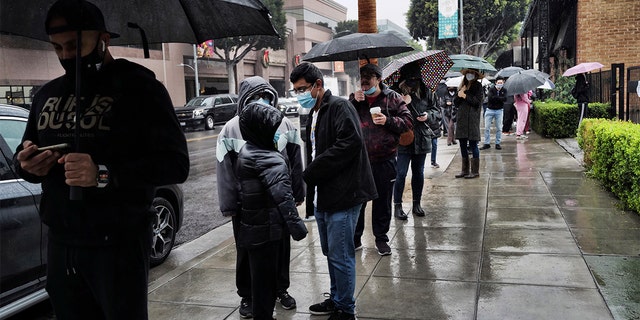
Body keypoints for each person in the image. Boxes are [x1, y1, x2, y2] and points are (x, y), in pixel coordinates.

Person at [14, 1, 190, 318]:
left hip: (118, 247)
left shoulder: (141, 88)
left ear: (102, 38)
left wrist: (103, 174)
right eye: (57, 47)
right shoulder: (46, 94)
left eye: (74, 45)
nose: (65, 55)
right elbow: (27, 152)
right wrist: (26, 166)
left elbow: (176, 164)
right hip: (60, 244)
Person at [290, 62, 376, 320]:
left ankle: (346, 309)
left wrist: (312, 171)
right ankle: (336, 298)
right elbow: (315, 148)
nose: (299, 95)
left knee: (341, 256)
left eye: (302, 89)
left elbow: (350, 143)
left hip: (344, 195)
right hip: (324, 195)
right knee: (331, 253)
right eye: (295, 90)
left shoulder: (339, 106)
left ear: (318, 85)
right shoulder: (314, 113)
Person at [217, 76, 305, 318]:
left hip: (279, 201)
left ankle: (280, 289)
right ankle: (247, 295)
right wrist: (229, 204)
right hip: (246, 205)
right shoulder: (231, 127)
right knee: (246, 250)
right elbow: (224, 169)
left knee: (281, 248)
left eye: (265, 97)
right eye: (256, 97)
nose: (262, 102)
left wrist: (298, 192)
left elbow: (296, 159)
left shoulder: (284, 123)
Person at [234, 102, 308, 320]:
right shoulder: (268, 158)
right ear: (261, 129)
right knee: (266, 283)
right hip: (267, 230)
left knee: (260, 283)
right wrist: (298, 229)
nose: (276, 133)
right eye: (272, 128)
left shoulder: (247, 150)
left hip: (253, 228)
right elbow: (285, 199)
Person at [349, 63, 412, 250]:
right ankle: (356, 237)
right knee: (358, 200)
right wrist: (352, 102)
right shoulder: (355, 99)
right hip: (360, 160)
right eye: (362, 78)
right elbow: (343, 120)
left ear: (378, 79)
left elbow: (408, 121)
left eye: (369, 77)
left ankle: (381, 238)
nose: (365, 81)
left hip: (385, 159)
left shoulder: (392, 98)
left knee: (383, 200)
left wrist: (388, 120)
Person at [393, 77, 438, 219]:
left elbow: (435, 110)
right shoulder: (395, 92)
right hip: (404, 137)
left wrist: (428, 115)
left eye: (415, 78)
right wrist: (401, 104)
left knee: (418, 172)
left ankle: (416, 203)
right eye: (409, 78)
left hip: (421, 137)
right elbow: (389, 114)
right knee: (400, 173)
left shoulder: (427, 91)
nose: (412, 81)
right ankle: (397, 205)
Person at [454, 68, 483, 179]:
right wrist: (460, 94)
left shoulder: (478, 86)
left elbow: (476, 102)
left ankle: (475, 171)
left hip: (472, 119)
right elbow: (456, 103)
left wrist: (465, 95)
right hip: (462, 119)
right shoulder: (463, 86)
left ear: (475, 74)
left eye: (471, 73)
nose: (469, 75)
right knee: (462, 144)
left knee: (473, 144)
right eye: (467, 73)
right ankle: (464, 170)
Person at [481, 77, 507, 150]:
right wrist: (499, 98)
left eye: (501, 83)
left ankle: (497, 143)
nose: (499, 84)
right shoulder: (491, 89)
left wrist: (497, 98)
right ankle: (487, 143)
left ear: (503, 83)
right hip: (490, 110)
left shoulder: (504, 90)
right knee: (487, 127)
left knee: (499, 127)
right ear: (495, 82)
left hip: (499, 110)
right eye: (498, 83)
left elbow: (505, 99)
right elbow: (490, 98)